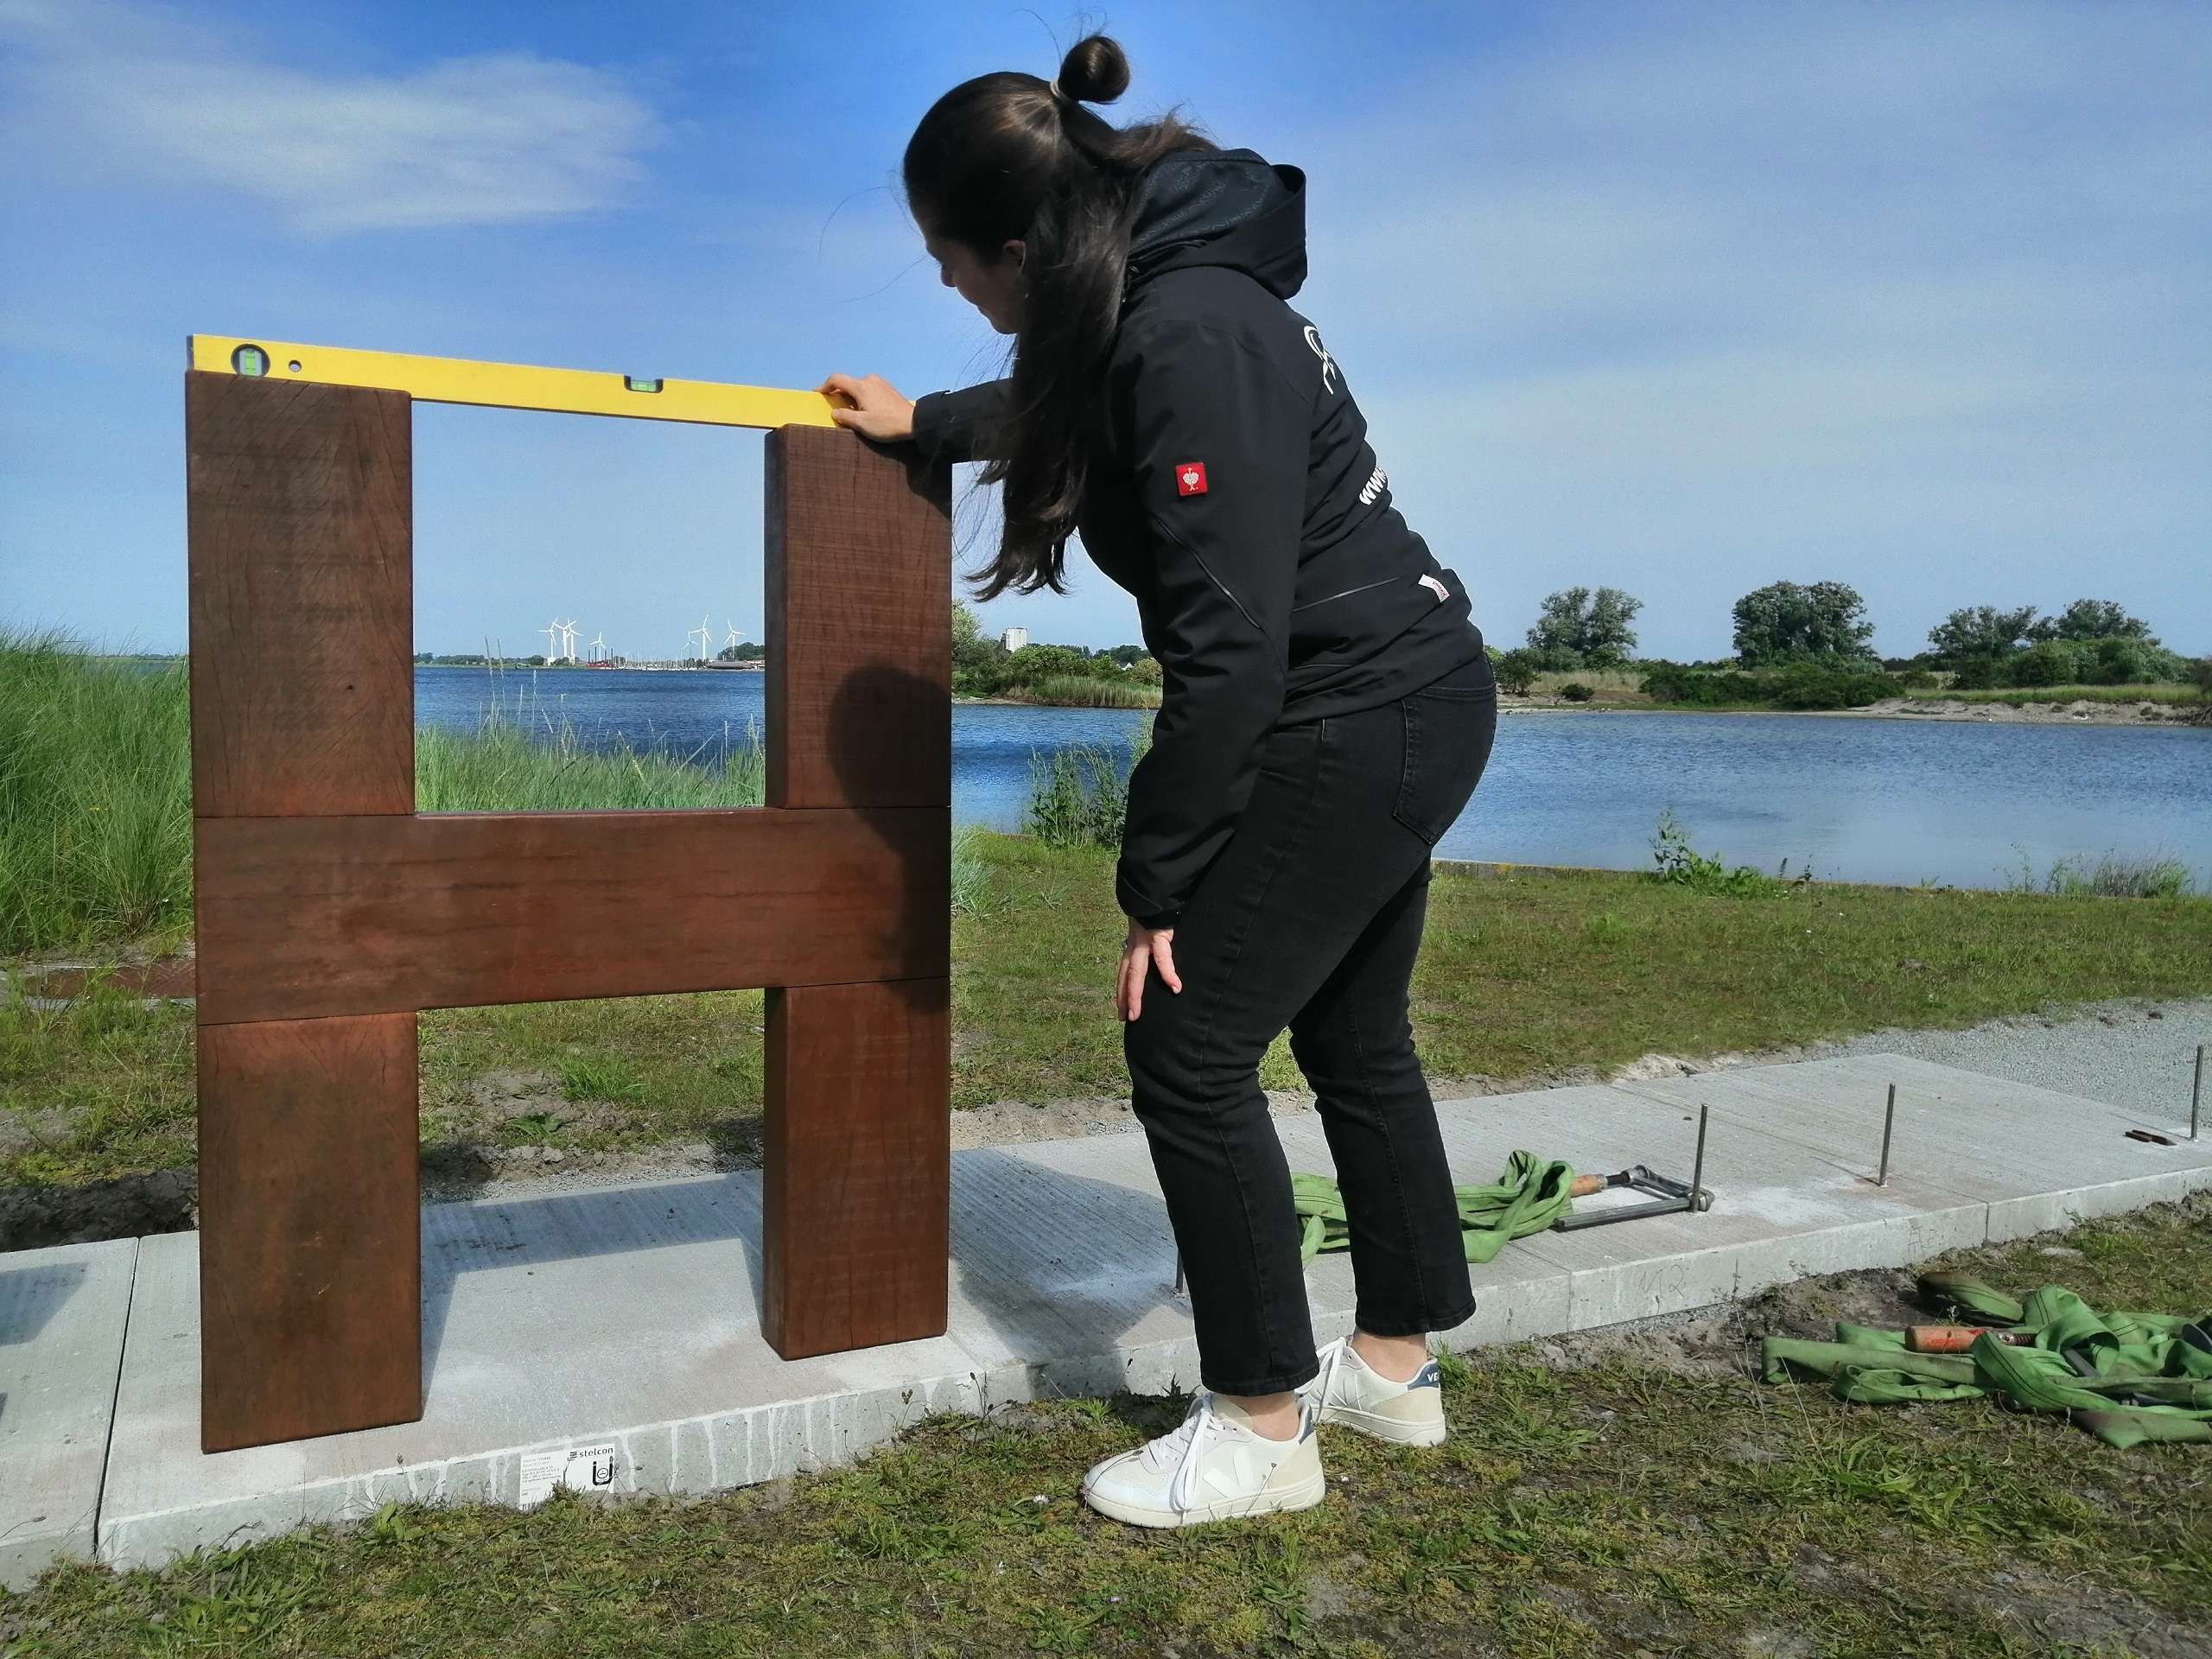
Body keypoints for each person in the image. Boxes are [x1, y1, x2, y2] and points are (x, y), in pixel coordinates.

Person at [819, 33, 1498, 1529]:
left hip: (1354, 711)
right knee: (1354, 1036)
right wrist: (920, 423)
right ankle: (1390, 1367)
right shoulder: (1157, 296)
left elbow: (1231, 654)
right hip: (1408, 694)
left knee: (1186, 1045)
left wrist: (1158, 884)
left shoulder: (1191, 330)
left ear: (1017, 244)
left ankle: (1261, 1425)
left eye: (947, 261)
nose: (946, 288)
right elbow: (1062, 401)